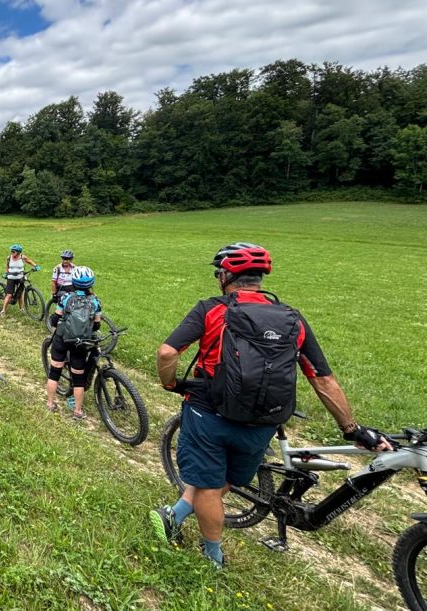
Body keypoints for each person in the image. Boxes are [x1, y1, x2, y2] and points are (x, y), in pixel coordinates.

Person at [149, 242, 392, 569]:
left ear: (225, 276)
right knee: (227, 479)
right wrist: (352, 429)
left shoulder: (211, 308)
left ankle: (213, 559)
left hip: (209, 413)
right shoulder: (292, 318)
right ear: (259, 278)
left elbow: (167, 353)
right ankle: (175, 514)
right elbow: (322, 379)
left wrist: (169, 383)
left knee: (207, 485)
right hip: (263, 421)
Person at [45, 266, 100, 418]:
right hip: (81, 343)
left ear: (73, 282)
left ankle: (50, 403)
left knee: (54, 371)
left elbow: (55, 317)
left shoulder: (66, 298)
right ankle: (77, 411)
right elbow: (97, 324)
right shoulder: (95, 301)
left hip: (62, 338)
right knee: (78, 378)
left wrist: (55, 328)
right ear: (91, 284)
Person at [1, 244, 38, 317]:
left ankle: (21, 309)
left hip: (20, 278)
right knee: (9, 295)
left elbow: (29, 261)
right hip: (11, 278)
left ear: (18, 252)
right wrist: (6, 273)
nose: (11, 252)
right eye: (11, 251)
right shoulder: (9, 258)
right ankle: (3, 311)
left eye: (13, 251)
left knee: (20, 294)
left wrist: (36, 266)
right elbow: (7, 266)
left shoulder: (22, 257)